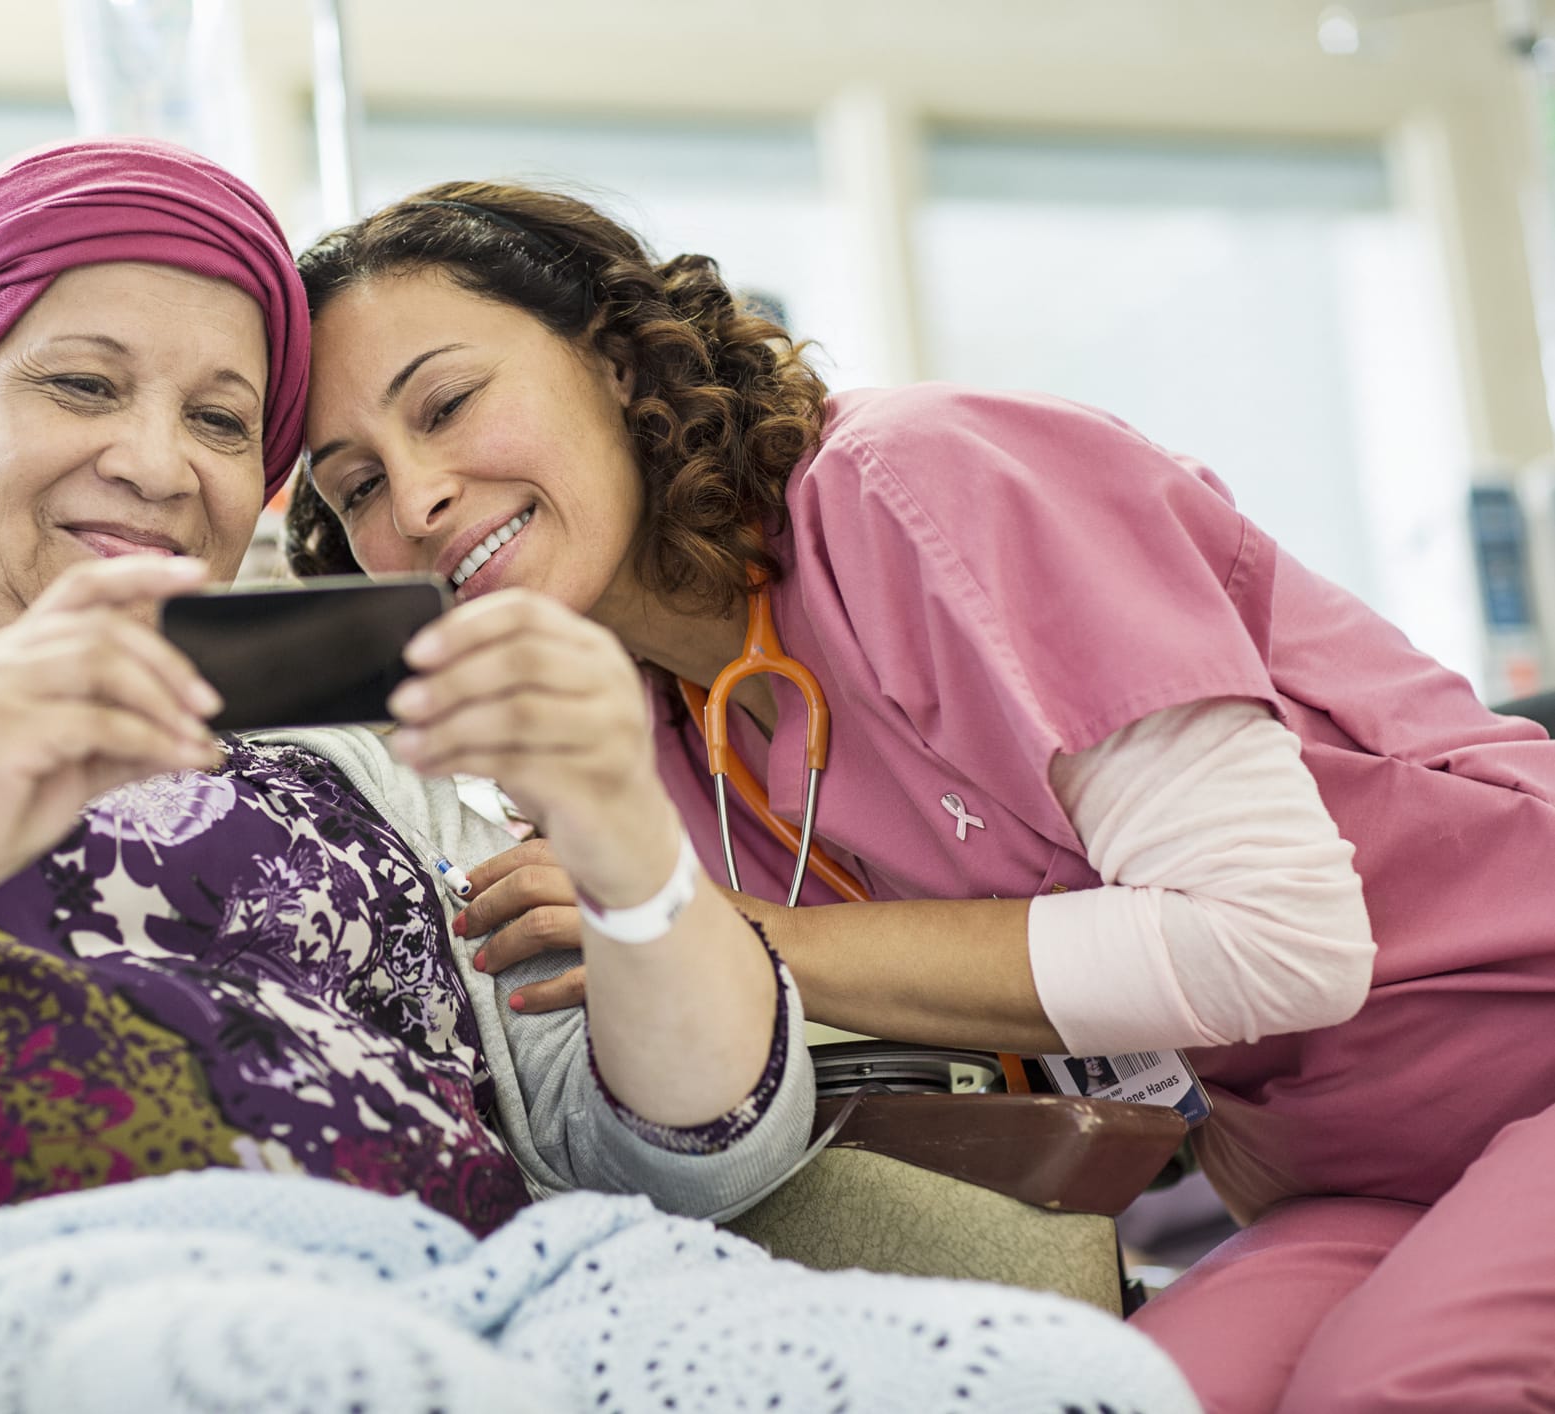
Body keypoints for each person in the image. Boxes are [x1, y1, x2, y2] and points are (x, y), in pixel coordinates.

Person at [0, 145, 1196, 1414]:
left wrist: (631, 848)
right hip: (62, 1298)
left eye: (221, 420)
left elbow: (693, 1149)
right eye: (80, 381)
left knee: (1066, 1376)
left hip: (514, 1277)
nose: (157, 460)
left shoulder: (369, 732)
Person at [286, 180, 1555, 1414]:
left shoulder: (919, 483)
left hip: (1526, 1049)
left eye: (447, 403)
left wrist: (717, 931)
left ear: (614, 359)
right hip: (1346, 1175)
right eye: (353, 487)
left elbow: (1279, 945)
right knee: (1110, 1396)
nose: (417, 498)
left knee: (1399, 1388)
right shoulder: (636, 752)